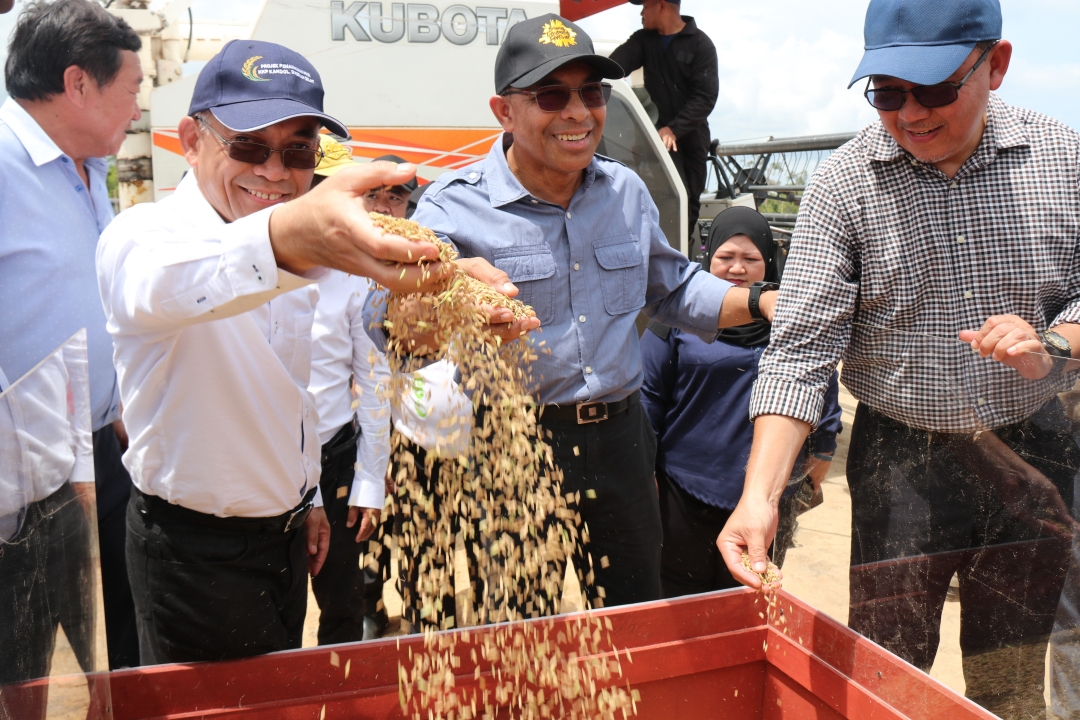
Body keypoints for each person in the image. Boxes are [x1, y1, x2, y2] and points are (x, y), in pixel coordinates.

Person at [718, 0, 1080, 716]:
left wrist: (1058, 345)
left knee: (1008, 674)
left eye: (935, 90)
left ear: (995, 65)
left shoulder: (1064, 160)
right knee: (883, 670)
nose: (910, 114)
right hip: (902, 461)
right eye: (887, 92)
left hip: (1034, 444)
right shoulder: (844, 185)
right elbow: (799, 354)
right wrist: (758, 499)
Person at [398, 14, 777, 611]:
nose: (578, 112)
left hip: (621, 441)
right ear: (504, 111)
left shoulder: (625, 192)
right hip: (509, 446)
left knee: (634, 611)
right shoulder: (453, 209)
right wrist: (438, 297)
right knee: (519, 626)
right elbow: (386, 322)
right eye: (552, 95)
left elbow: (673, 289)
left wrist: (762, 302)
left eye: (591, 93)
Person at [96, 39, 447, 664]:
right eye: (250, 148)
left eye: (297, 152)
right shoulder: (143, 236)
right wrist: (293, 234)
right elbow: (170, 284)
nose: (276, 172)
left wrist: (305, 498)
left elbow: (292, 397)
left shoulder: (301, 253)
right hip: (193, 553)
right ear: (191, 139)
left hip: (285, 536)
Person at [0, 0, 142, 669]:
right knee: (22, 669)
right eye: (133, 88)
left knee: (117, 654)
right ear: (79, 82)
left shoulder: (89, 170)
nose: (138, 108)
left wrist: (114, 402)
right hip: (17, 481)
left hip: (98, 458)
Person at [640, 206, 841, 597]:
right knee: (681, 596)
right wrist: (644, 470)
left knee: (749, 595)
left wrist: (823, 453)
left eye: (751, 259)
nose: (737, 269)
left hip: (771, 492)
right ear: (706, 258)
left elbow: (823, 391)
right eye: (725, 258)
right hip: (684, 488)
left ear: (769, 262)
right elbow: (648, 398)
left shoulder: (792, 323)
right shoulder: (673, 322)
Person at [307, 136, 393, 645]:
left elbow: (375, 379)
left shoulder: (354, 273)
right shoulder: (250, 266)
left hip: (333, 453)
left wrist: (369, 481)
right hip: (264, 469)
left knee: (341, 604)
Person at [610, 0, 718, 240]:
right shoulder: (643, 41)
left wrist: (674, 129)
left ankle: (681, 262)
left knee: (688, 201)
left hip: (691, 140)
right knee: (658, 200)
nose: (641, 12)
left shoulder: (701, 44)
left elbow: (705, 97)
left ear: (660, 5)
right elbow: (614, 67)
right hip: (655, 140)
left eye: (645, 5)